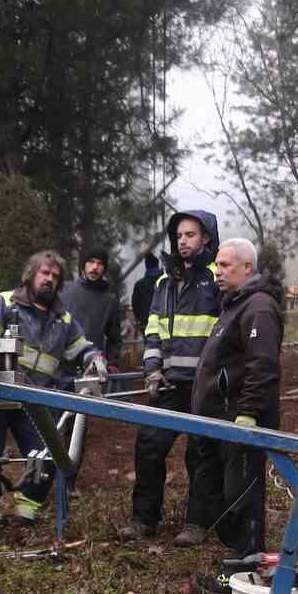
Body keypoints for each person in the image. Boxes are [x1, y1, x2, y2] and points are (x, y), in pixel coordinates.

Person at [0, 251, 107, 528]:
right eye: (44, 273)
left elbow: (81, 347)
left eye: (55, 276)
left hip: (35, 398)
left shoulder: (64, 319)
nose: (49, 279)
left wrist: (95, 359)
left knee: (47, 455)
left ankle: (25, 513)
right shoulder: (5, 303)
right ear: (31, 274)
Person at [189, 238, 284, 592]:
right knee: (225, 498)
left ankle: (246, 573)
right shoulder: (233, 306)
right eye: (216, 265)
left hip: (241, 423)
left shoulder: (258, 307)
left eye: (226, 265)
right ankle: (238, 568)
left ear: (248, 268)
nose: (217, 271)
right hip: (218, 422)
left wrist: (248, 413)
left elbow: (263, 365)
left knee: (243, 501)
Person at [123, 210, 222, 543]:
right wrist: (151, 369)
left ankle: (197, 523)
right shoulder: (164, 282)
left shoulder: (216, 277)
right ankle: (143, 519)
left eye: (190, 235)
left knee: (201, 452)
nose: (183, 241)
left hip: (203, 386)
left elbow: (224, 331)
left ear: (206, 238)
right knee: (149, 445)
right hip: (167, 383)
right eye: (179, 236)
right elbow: (153, 328)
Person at [60, 247, 124, 368]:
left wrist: (113, 364)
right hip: (61, 364)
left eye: (100, 263)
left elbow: (114, 339)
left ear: (104, 268)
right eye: (91, 262)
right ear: (83, 265)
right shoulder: (64, 290)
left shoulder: (110, 301)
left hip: (91, 365)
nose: (95, 267)